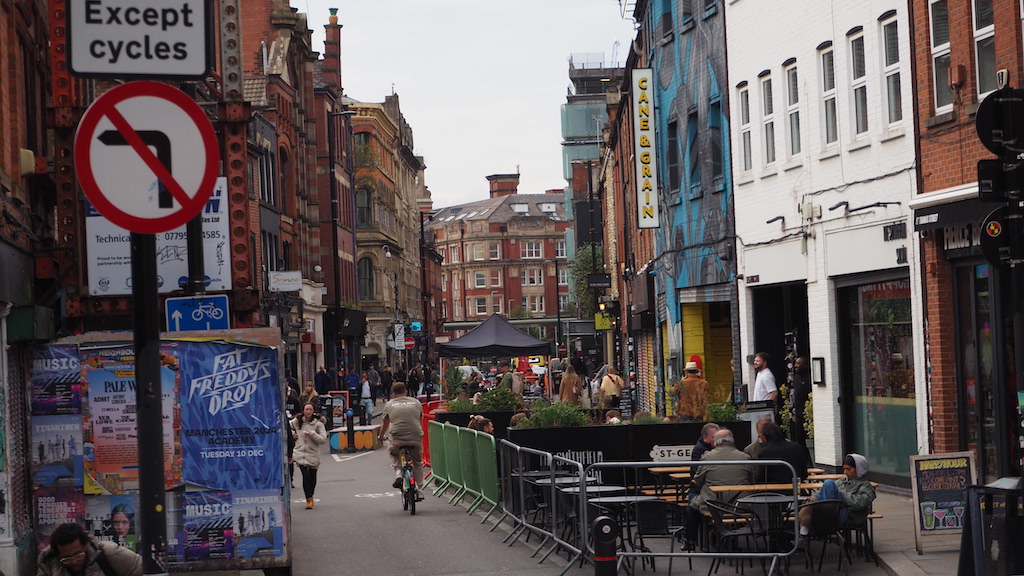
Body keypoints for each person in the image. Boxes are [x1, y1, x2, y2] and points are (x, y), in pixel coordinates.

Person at [684, 428, 755, 545]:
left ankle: (690, 541)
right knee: (733, 513)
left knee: (692, 507)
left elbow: (698, 480)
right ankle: (729, 538)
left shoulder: (707, 457)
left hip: (714, 503)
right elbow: (751, 480)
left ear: (716, 442)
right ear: (732, 440)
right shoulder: (745, 457)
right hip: (740, 504)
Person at [37, 522, 141, 576]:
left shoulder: (109, 552)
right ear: (58, 555)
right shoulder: (48, 565)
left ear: (85, 546)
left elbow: (142, 570)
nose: (74, 561)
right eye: (66, 559)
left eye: (78, 555)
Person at [378, 383, 425, 501]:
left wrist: (381, 436)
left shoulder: (389, 405)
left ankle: (398, 473)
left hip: (397, 438)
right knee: (417, 462)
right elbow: (419, 420)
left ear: (393, 394)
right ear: (406, 391)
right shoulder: (416, 402)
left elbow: (385, 424)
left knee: (394, 454)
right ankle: (419, 489)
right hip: (415, 437)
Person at [291, 401, 327, 509]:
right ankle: (308, 499)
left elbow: (323, 439)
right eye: (306, 409)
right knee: (305, 476)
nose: (308, 411)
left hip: (313, 453)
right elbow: (287, 427)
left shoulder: (318, 424)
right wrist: (293, 434)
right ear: (303, 410)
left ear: (313, 411)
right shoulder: (297, 421)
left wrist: (312, 434)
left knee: (312, 477)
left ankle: (311, 495)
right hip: (300, 452)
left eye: (310, 409)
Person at [791, 356, 811, 449]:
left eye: (798, 363)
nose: (795, 365)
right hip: (798, 413)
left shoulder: (809, 378)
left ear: (806, 365)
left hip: (806, 414)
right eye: (795, 363)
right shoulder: (797, 377)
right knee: (799, 438)